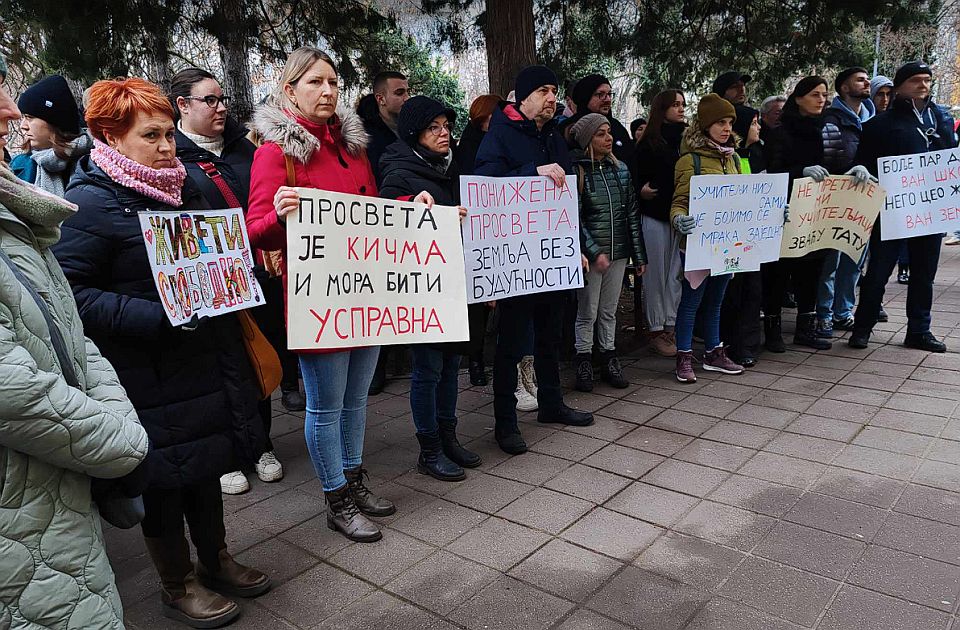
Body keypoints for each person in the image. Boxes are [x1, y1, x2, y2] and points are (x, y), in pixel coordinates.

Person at [54, 77, 270, 628]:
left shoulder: (185, 187)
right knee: (166, 482)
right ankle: (178, 584)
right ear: (110, 136)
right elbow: (71, 294)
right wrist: (154, 317)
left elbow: (215, 257)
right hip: (145, 371)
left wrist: (234, 274)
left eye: (171, 134)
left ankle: (216, 559)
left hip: (203, 358)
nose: (169, 147)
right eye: (152, 135)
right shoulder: (88, 204)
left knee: (205, 468)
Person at [0, 57, 150, 630]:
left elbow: (66, 328)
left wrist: (115, 422)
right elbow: (14, 391)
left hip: (50, 494)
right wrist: (124, 444)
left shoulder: (16, 219)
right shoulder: (81, 204)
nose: (13, 112)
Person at [247, 47, 420, 541]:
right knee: (326, 404)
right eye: (315, 82)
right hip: (317, 298)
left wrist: (412, 207)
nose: (327, 91)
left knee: (357, 399)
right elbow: (253, 232)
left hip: (365, 291)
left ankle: (353, 477)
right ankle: (336, 498)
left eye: (334, 83)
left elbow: (373, 213)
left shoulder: (354, 146)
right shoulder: (273, 152)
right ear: (290, 90)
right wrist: (278, 215)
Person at [170, 67, 288, 496]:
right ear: (183, 106)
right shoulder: (173, 156)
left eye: (223, 100)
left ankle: (262, 445)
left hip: (258, 272)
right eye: (210, 100)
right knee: (221, 365)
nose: (221, 108)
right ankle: (229, 454)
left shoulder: (246, 149)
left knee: (259, 356)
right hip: (209, 279)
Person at [475, 64, 594, 454]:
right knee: (511, 343)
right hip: (514, 260)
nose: (551, 97)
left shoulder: (554, 136)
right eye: (543, 90)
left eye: (554, 90)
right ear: (522, 96)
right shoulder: (500, 134)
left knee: (550, 334)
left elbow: (564, 202)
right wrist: (531, 172)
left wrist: (574, 247)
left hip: (550, 258)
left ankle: (551, 404)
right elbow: (485, 184)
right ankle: (505, 424)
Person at [379, 95, 481, 481]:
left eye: (446, 126)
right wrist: (414, 204)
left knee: (452, 364)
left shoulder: (451, 169)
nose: (444, 134)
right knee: (427, 369)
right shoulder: (398, 168)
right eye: (433, 128)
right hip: (421, 289)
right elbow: (387, 210)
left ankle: (448, 436)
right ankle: (430, 448)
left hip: (454, 283)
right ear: (414, 134)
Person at [850, 61, 957, 353]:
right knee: (878, 273)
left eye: (927, 80)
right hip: (893, 211)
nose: (923, 85)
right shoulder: (880, 124)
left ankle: (919, 330)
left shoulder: (942, 117)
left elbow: (950, 158)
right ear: (899, 87)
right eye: (916, 80)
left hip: (931, 211)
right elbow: (864, 160)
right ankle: (862, 327)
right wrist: (861, 169)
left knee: (924, 274)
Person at [669, 94, 745, 383]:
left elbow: (746, 196)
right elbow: (679, 200)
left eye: (729, 122)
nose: (726, 128)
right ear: (704, 125)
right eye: (719, 123)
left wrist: (773, 212)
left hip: (727, 244)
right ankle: (684, 357)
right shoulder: (691, 160)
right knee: (692, 302)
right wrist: (678, 219)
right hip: (698, 245)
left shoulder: (735, 158)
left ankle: (714, 353)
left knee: (716, 302)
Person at [569, 113, 646, 391]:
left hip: (619, 251)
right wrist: (592, 251)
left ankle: (609, 356)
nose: (609, 138)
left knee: (609, 309)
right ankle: (584, 359)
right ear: (588, 139)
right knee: (587, 309)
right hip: (592, 257)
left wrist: (639, 256)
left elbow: (631, 215)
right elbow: (574, 218)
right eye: (601, 134)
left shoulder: (621, 169)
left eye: (609, 132)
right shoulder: (577, 172)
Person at [762, 76, 836, 352]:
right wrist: (799, 173)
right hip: (788, 212)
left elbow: (837, 163)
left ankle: (806, 328)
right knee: (779, 272)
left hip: (819, 212)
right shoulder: (781, 132)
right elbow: (773, 172)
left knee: (812, 269)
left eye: (824, 95)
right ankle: (772, 330)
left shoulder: (826, 129)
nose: (821, 100)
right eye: (815, 94)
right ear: (798, 98)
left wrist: (853, 172)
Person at [815, 67, 877, 338]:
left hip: (865, 198)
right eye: (860, 80)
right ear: (844, 88)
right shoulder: (831, 118)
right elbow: (832, 154)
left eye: (867, 79)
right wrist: (854, 168)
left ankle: (844, 312)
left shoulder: (873, 118)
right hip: (837, 197)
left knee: (854, 258)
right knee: (831, 260)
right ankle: (825, 315)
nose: (867, 83)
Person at [634, 89, 686, 357]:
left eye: (682, 104)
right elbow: (636, 177)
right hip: (655, 214)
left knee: (676, 274)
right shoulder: (649, 141)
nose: (680, 109)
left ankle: (671, 324)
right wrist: (641, 192)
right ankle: (656, 328)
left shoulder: (688, 139)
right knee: (656, 274)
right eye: (674, 104)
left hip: (681, 217)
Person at [454, 93, 502, 386]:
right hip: (471, 231)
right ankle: (475, 360)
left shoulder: (498, 143)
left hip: (496, 229)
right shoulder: (467, 148)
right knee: (476, 301)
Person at [719, 107, 764, 367]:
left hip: (754, 235)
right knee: (733, 292)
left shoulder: (758, 153)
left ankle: (749, 344)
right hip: (730, 235)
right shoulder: (731, 157)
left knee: (753, 290)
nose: (758, 128)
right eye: (754, 123)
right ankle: (730, 343)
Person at [10, 75, 91, 196]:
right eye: (23, 117)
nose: (23, 126)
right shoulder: (19, 166)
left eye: (30, 117)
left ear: (55, 122)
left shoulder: (96, 161)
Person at [564, 74, 634, 163]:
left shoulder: (617, 128)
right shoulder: (568, 129)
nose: (607, 99)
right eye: (600, 94)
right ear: (585, 97)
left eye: (609, 94)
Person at [357, 70, 410, 185]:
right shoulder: (364, 136)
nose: (407, 98)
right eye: (399, 93)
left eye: (407, 92)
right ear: (381, 99)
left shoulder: (413, 129)